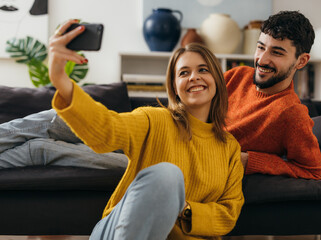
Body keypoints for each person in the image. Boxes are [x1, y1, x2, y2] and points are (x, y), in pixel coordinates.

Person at [47, 19, 243, 240]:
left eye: (203, 70)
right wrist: (59, 78)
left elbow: (228, 214)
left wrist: (184, 208)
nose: (194, 77)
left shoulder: (230, 148)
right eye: (183, 73)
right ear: (175, 88)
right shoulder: (154, 119)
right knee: (168, 174)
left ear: (216, 79)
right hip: (119, 231)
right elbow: (106, 129)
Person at [225, 10, 321, 180]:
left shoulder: (292, 114)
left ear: (301, 61)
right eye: (260, 47)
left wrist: (250, 161)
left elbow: (315, 173)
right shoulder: (236, 76)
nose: (262, 60)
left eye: (277, 52)